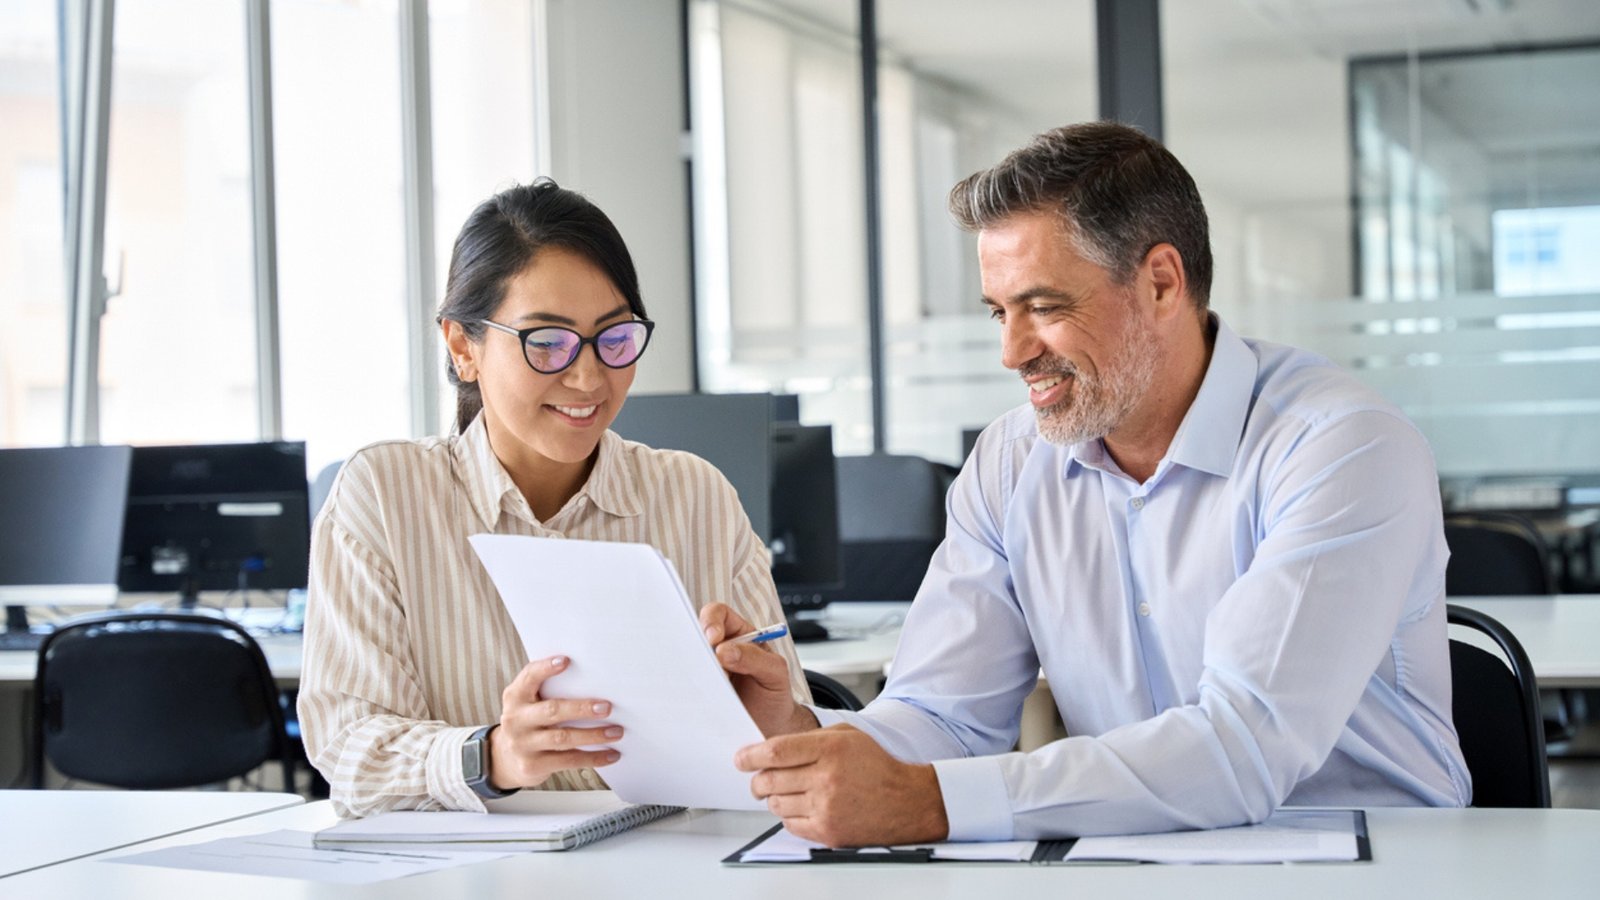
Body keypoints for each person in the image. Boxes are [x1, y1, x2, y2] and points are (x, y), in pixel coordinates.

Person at [702, 122, 1470, 846]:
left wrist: (931, 803)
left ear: (1163, 284)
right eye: (999, 312)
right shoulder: (1010, 463)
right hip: (1136, 856)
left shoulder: (1341, 447)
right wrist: (800, 745)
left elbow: (1245, 745)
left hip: (1376, 854)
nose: (1011, 352)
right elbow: (945, 714)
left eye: (1043, 307)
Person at [298, 179, 809, 817]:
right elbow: (350, 749)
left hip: (676, 865)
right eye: (547, 342)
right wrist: (494, 756)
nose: (589, 376)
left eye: (614, 338)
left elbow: (791, 739)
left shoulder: (695, 494)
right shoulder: (385, 493)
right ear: (463, 346)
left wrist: (781, 720)